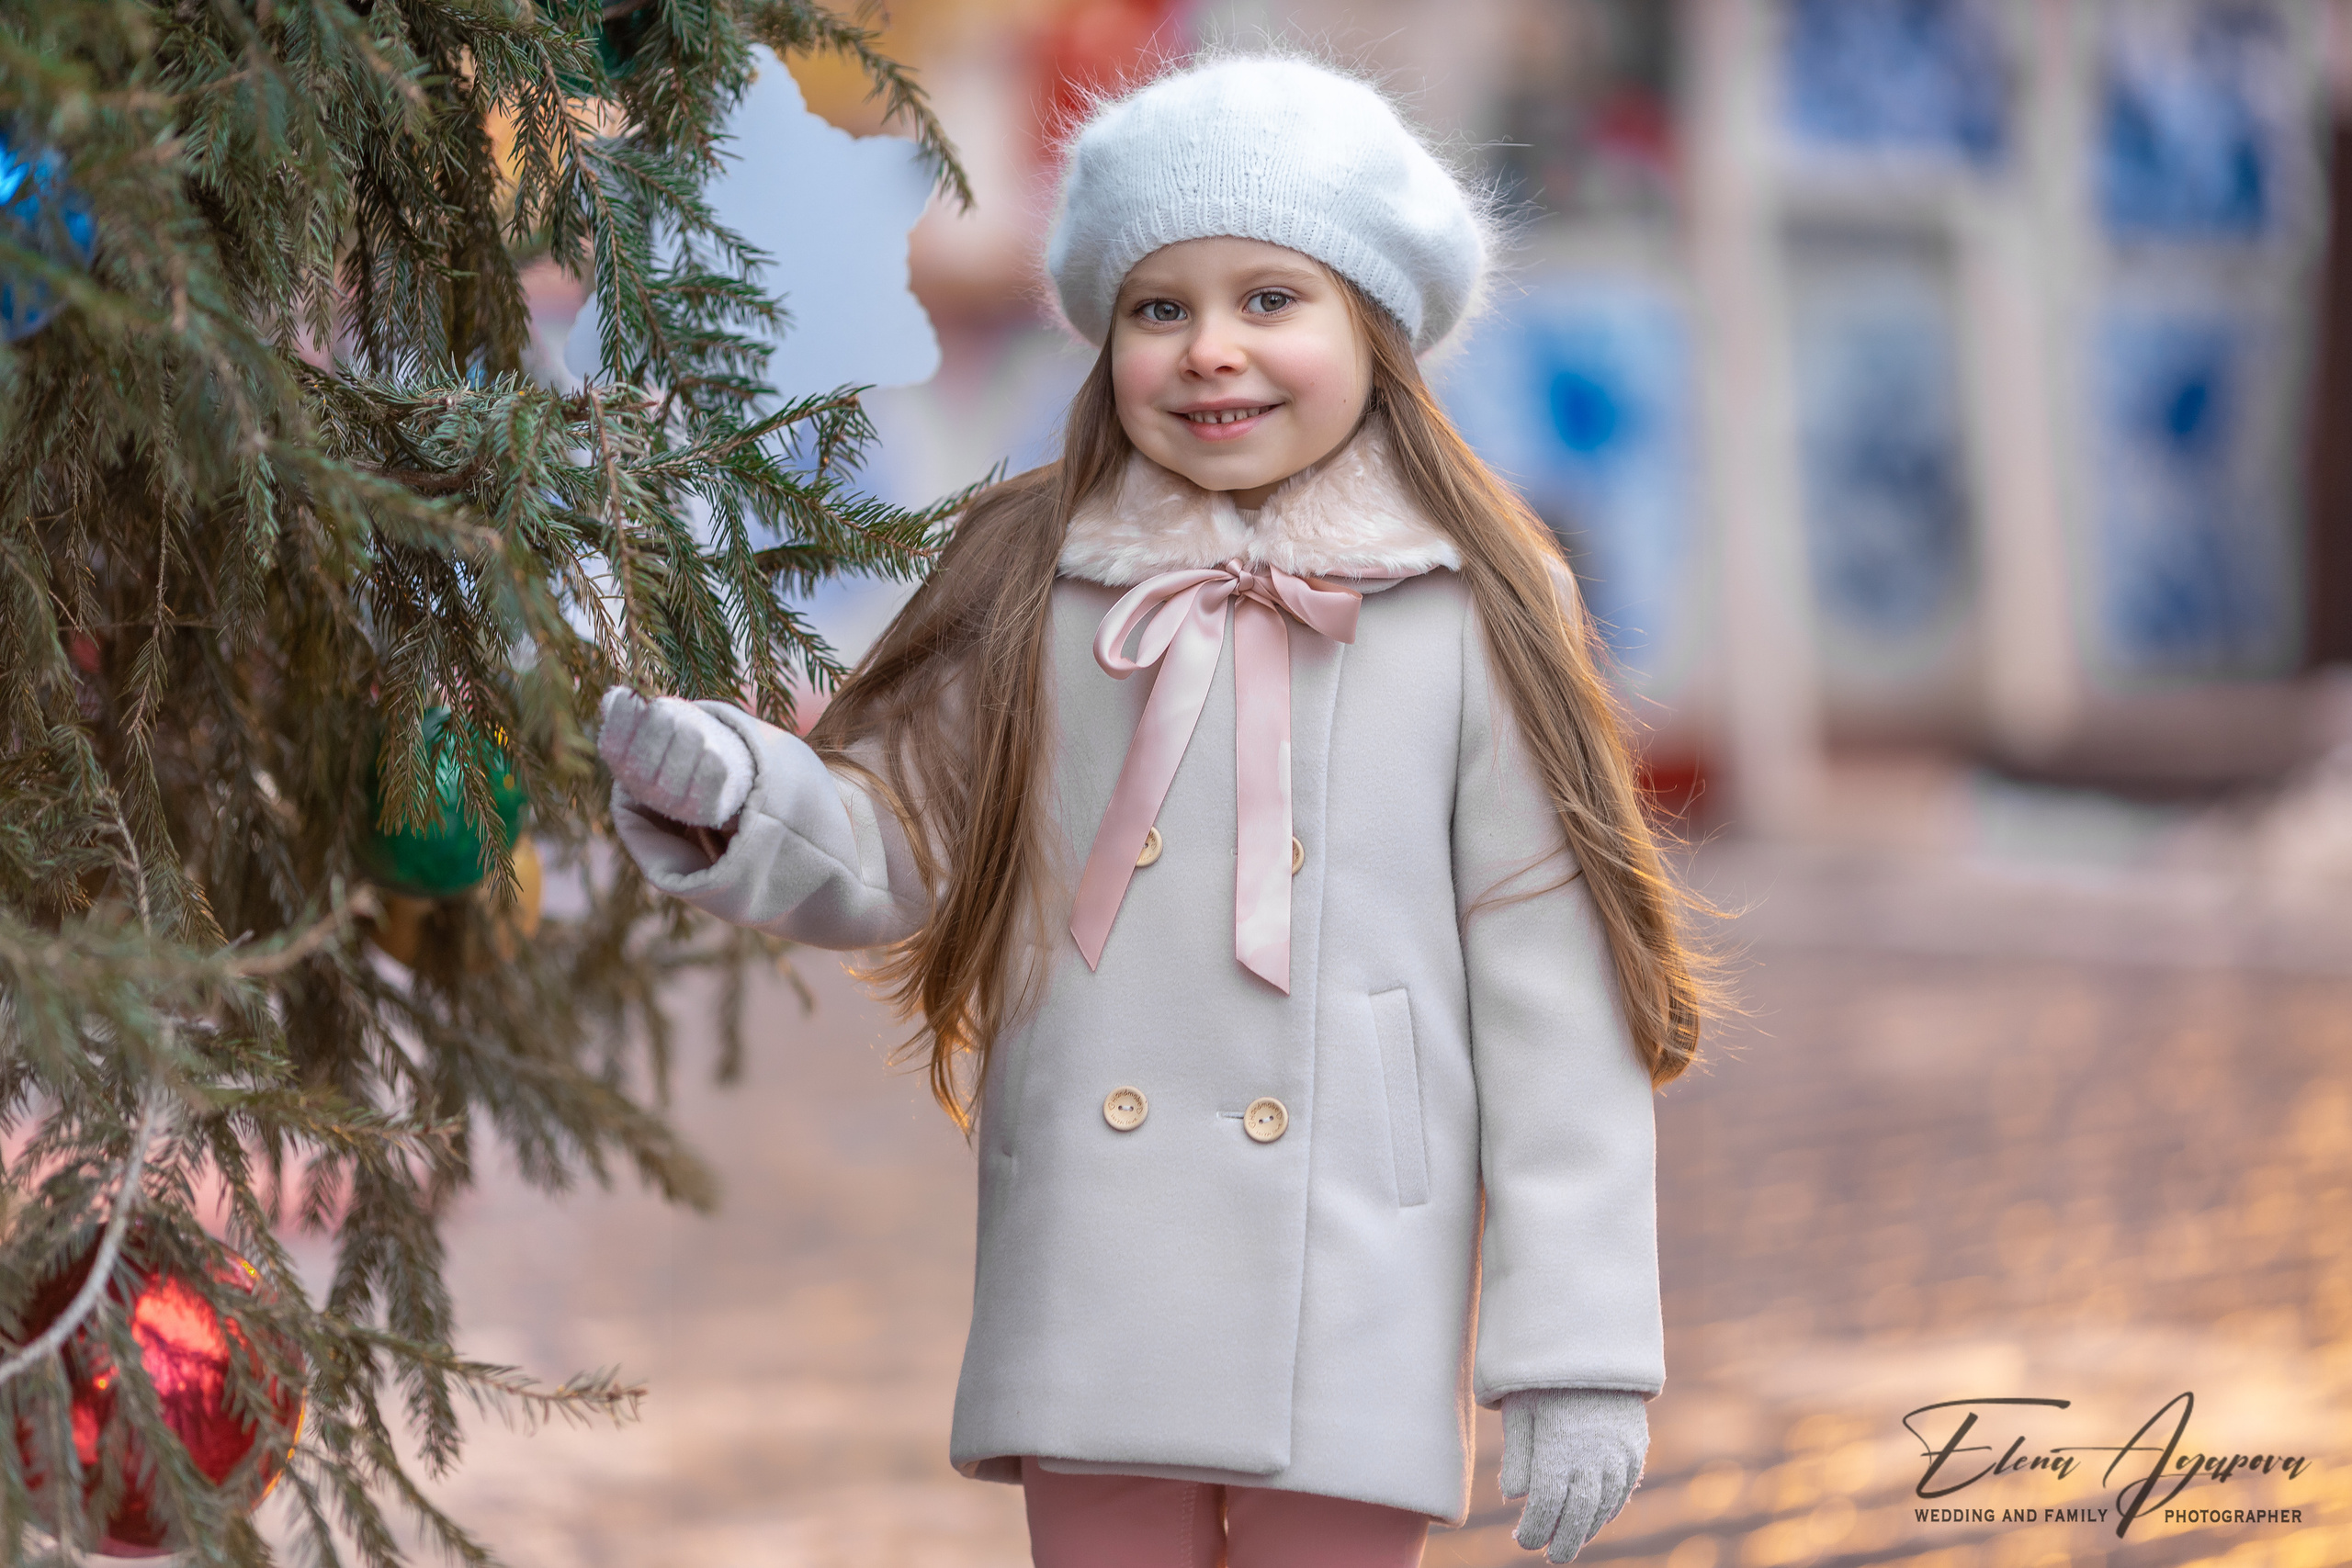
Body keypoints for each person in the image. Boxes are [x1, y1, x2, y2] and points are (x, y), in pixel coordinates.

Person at [597, 52, 1711, 1568]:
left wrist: (1577, 1353)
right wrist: (740, 793)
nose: (1210, 351)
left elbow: (1554, 992)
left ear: (1376, 328)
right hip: (1097, 1255)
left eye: (1272, 298)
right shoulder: (1036, 581)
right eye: (1159, 309)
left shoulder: (1471, 609)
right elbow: (891, 832)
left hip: (1356, 1253)